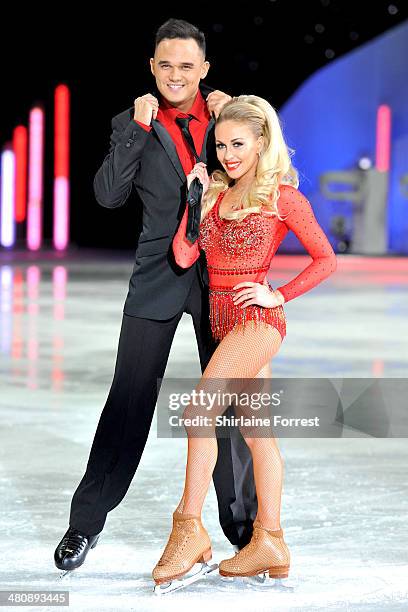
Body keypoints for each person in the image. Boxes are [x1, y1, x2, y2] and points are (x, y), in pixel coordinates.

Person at [54, 19, 259, 573]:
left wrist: (235, 114)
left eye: (186, 66)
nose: (175, 75)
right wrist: (136, 132)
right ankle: (85, 524)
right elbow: (107, 194)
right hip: (157, 276)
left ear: (204, 70)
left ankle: (243, 530)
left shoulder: (230, 120)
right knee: (127, 402)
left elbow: (267, 180)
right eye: (165, 65)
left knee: (230, 405)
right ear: (152, 66)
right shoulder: (133, 123)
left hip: (222, 278)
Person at [152, 94, 337, 591]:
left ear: (261, 142)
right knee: (257, 433)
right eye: (221, 144)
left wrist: (278, 293)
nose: (228, 154)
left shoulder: (282, 196)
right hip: (221, 323)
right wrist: (192, 202)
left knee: (198, 412)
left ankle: (188, 528)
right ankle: (270, 540)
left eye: (238, 143)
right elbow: (186, 255)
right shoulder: (213, 193)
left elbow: (326, 259)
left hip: (256, 322)